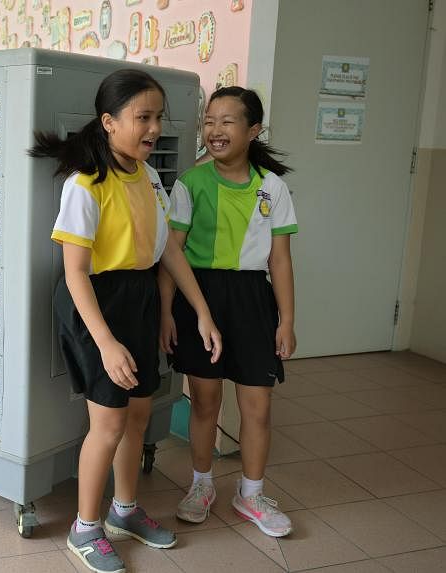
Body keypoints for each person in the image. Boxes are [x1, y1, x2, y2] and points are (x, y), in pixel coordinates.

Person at [30, 69, 222, 573]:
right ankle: (84, 528)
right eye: (143, 117)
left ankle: (124, 510)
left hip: (136, 297)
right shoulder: (85, 185)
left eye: (159, 117)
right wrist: (107, 343)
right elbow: (74, 273)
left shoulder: (152, 177)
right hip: (95, 302)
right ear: (109, 122)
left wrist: (200, 310)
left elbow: (168, 255)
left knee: (139, 413)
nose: (154, 127)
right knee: (110, 421)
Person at [159, 86, 298, 538]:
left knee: (257, 407)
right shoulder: (190, 183)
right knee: (204, 400)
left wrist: (287, 321)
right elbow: (170, 254)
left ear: (253, 130)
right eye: (210, 121)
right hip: (198, 295)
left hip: (253, 300)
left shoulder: (272, 188)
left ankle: (251, 493)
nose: (215, 130)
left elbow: (280, 260)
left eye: (227, 121)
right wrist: (166, 312)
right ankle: (200, 486)